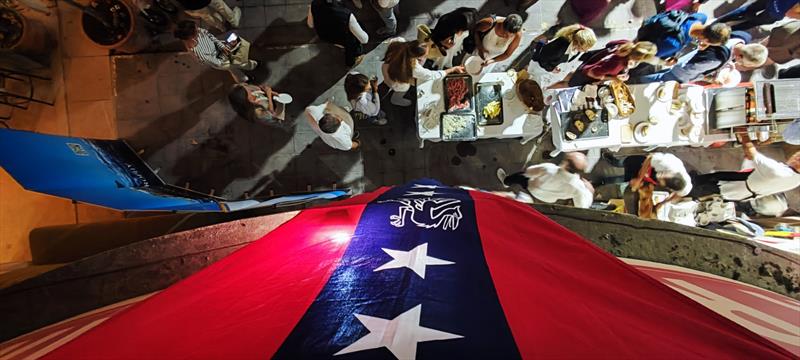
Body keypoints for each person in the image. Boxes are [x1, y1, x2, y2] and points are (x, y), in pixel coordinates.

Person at [631, 32, 767, 84]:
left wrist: (727, 64)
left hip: (686, 52)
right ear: (740, 55)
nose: (740, 65)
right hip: (680, 70)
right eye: (742, 62)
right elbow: (691, 69)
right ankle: (633, 83)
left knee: (657, 67)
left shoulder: (742, 36)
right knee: (656, 80)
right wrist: (710, 78)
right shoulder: (718, 59)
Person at [689, 137, 800, 201]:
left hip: (740, 185)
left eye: (798, 157)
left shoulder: (778, 172)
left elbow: (751, 151)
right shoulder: (796, 179)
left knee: (710, 187)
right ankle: (695, 179)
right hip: (750, 184)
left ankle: (684, 190)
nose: (795, 155)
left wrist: (743, 134)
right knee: (716, 176)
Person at [496, 152, 595, 208]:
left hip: (532, 186)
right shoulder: (579, 187)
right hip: (547, 199)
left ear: (566, 164)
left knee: (520, 176)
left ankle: (506, 181)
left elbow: (529, 172)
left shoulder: (549, 168)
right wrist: (590, 192)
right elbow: (582, 207)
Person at [381, 40, 464, 106]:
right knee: (402, 88)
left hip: (386, 68)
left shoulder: (399, 43)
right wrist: (453, 69)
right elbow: (432, 75)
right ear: (415, 57)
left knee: (389, 82)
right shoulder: (413, 68)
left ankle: (391, 90)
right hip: (396, 81)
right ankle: (396, 100)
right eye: (424, 56)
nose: (425, 57)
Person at [600, 152, 693, 210]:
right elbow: (649, 158)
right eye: (662, 174)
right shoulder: (668, 162)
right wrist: (639, 178)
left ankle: (603, 181)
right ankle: (613, 160)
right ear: (671, 173)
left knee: (624, 180)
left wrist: (662, 203)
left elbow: (678, 195)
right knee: (624, 163)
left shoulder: (685, 187)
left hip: (649, 176)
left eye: (661, 180)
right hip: (644, 165)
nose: (659, 176)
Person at [174, 21, 257, 82]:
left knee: (233, 68)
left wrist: (222, 46)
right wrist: (228, 47)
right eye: (196, 29)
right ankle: (252, 67)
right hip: (221, 61)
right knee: (237, 63)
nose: (199, 29)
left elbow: (210, 36)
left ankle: (243, 78)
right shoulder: (199, 52)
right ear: (192, 36)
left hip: (221, 51)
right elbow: (218, 62)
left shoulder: (198, 32)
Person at [636, 11, 729, 64]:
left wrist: (705, 41)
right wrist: (664, 63)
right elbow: (648, 56)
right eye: (709, 43)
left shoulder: (701, 17)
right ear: (706, 39)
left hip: (651, 22)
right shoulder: (674, 44)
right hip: (643, 42)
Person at [565, 40, 657, 87]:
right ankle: (551, 90)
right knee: (568, 85)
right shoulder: (618, 65)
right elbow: (592, 72)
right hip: (586, 73)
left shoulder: (627, 43)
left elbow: (609, 44)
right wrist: (614, 78)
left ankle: (556, 85)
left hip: (592, 60)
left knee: (572, 75)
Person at [307, 0, 369, 67]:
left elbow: (310, 24)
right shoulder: (347, 14)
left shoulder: (314, 3)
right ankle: (352, 62)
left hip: (324, 35)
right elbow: (364, 40)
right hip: (341, 40)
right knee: (355, 42)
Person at [531, 24, 597, 73]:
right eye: (583, 49)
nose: (586, 51)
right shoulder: (558, 49)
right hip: (540, 59)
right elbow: (543, 60)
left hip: (550, 60)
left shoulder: (577, 48)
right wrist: (551, 69)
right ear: (576, 43)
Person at [715, 0, 800, 31]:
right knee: (752, 22)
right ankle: (724, 31)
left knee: (748, 9)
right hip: (776, 12)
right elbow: (789, 13)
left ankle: (718, 23)